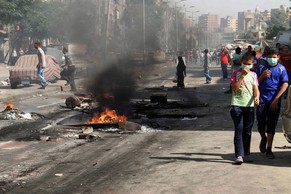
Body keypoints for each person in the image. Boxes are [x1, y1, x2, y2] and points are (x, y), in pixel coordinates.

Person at [256, 48, 289, 159]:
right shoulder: (261, 67)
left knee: (271, 124)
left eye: (274, 57)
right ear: (266, 57)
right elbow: (255, 82)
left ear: (278, 57)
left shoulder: (281, 69)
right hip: (261, 100)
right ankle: (263, 137)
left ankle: (269, 148)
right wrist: (262, 76)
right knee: (260, 123)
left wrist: (276, 99)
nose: (272, 59)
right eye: (270, 57)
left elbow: (285, 84)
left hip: (275, 101)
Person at [230, 53, 260, 164]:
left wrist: (257, 97)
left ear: (252, 64)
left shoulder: (253, 75)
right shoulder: (235, 73)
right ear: (241, 62)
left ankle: (246, 154)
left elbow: (255, 88)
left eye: (249, 64)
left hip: (249, 106)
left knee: (247, 131)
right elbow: (234, 89)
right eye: (244, 64)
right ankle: (239, 155)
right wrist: (242, 76)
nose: (246, 66)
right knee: (239, 130)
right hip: (237, 105)